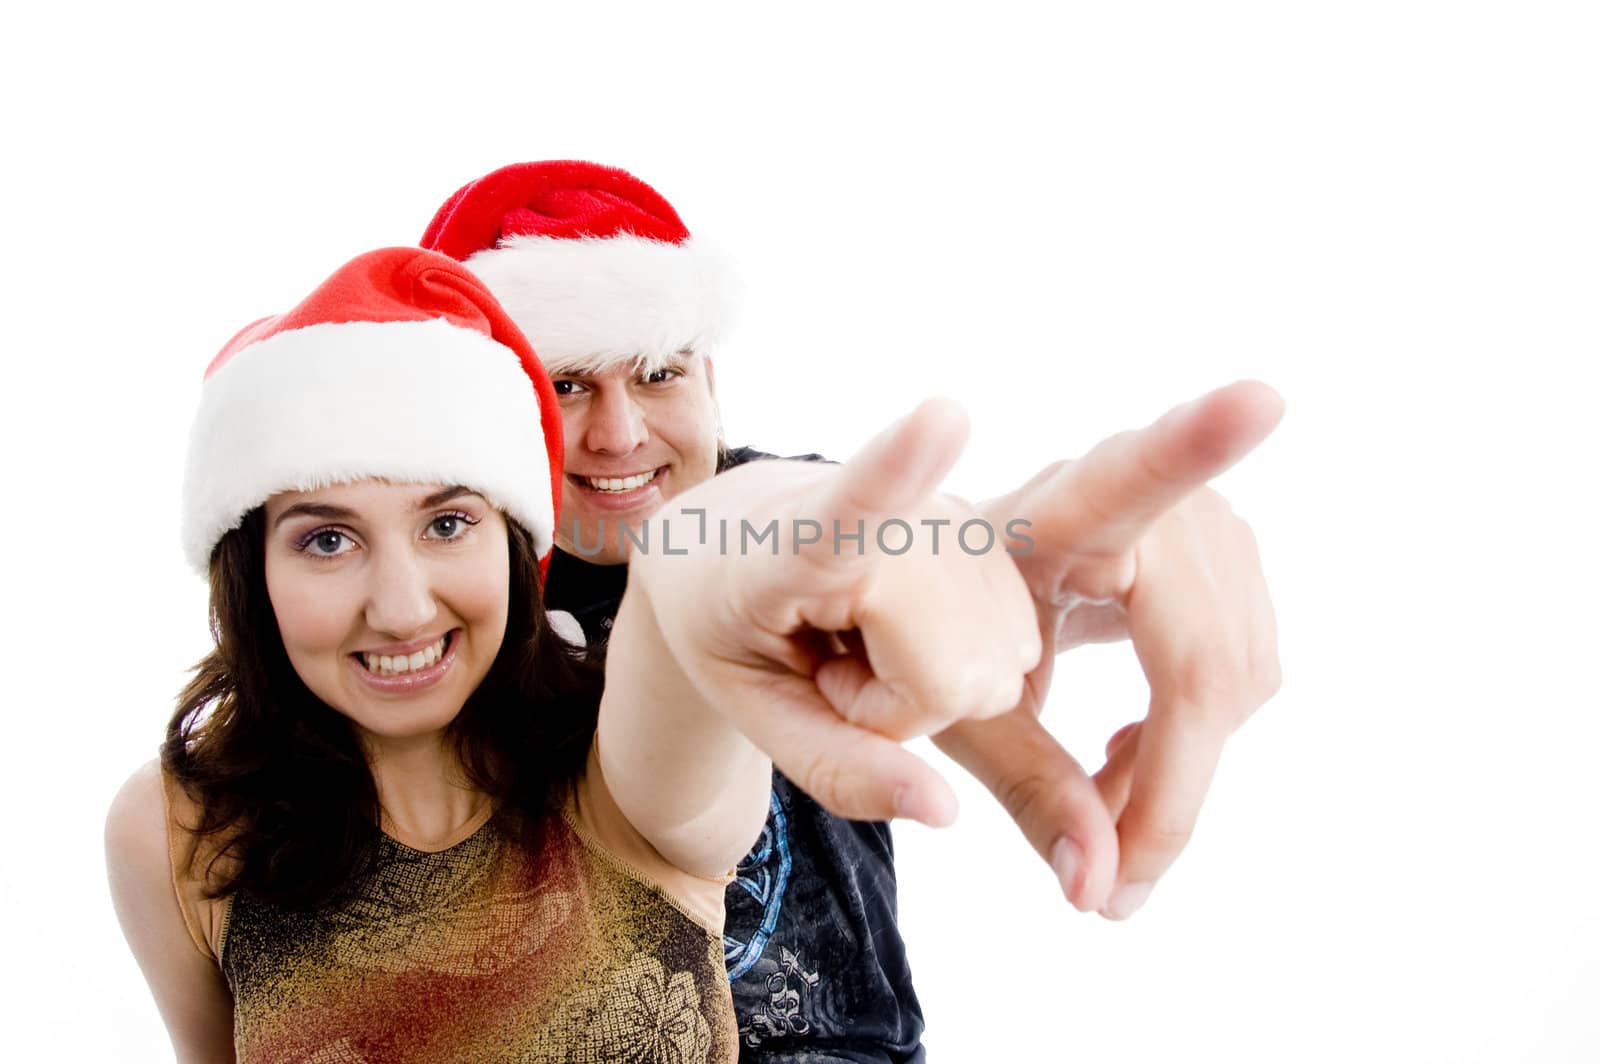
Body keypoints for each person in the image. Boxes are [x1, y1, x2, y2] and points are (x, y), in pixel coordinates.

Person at [421, 161, 1284, 1060]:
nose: (622, 433)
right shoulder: (426, 596)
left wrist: (1003, 553)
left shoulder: (794, 515)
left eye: (656, 374)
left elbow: (848, 534)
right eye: (565, 386)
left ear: (710, 380)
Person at [103, 246, 1045, 1063]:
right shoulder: (176, 829)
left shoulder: (614, 756)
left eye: (447, 522)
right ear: (248, 570)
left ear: (516, 544)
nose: (399, 607)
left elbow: (694, 588)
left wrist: (944, 541)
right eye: (326, 540)